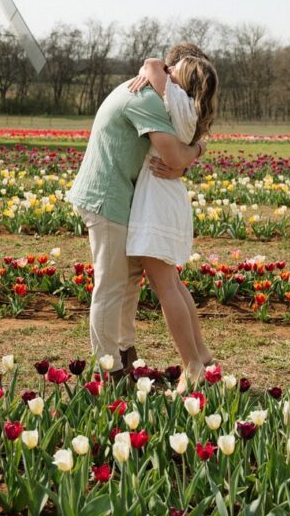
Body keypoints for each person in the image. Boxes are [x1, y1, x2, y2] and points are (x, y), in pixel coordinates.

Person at [66, 43, 209, 376]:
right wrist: (197, 150)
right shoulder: (144, 99)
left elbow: (169, 158)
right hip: (107, 196)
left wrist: (185, 161)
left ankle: (124, 351)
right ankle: (109, 368)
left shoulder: (154, 97)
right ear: (170, 74)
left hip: (125, 197)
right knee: (111, 284)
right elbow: (173, 155)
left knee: (129, 282)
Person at [126, 55, 218, 387]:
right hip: (168, 194)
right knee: (173, 284)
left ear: (183, 80)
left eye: (175, 68)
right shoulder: (189, 111)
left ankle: (191, 364)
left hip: (157, 199)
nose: (168, 69)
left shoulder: (177, 101)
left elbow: (151, 63)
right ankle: (202, 355)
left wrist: (152, 71)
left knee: (165, 287)